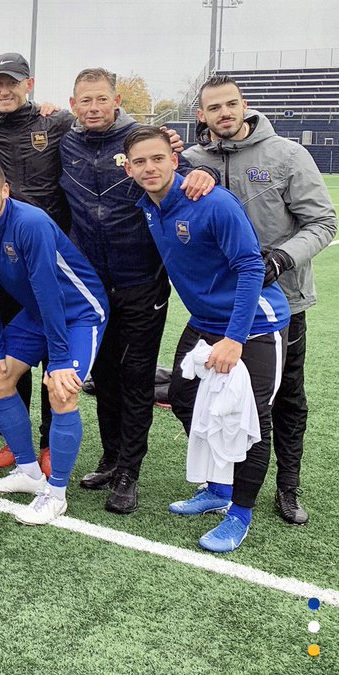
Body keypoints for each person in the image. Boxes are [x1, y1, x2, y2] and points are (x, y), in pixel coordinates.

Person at [125, 125, 290, 552]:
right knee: (183, 397)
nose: (149, 168)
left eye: (157, 158)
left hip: (253, 324)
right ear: (127, 168)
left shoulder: (212, 201)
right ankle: (218, 488)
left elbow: (251, 267)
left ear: (174, 160)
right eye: (139, 161)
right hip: (203, 321)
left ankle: (240, 512)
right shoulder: (147, 205)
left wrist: (235, 338)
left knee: (250, 419)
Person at [60, 67, 218, 513]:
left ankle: (130, 472)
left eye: (101, 99)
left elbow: (185, 177)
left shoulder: (145, 142)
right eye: (84, 101)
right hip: (92, 287)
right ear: (73, 105)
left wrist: (204, 176)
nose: (93, 108)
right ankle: (112, 458)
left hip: (141, 283)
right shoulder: (65, 141)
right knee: (104, 375)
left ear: (116, 100)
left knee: (135, 378)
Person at [182, 75, 337, 525]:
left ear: (245, 105)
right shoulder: (191, 159)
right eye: (214, 108)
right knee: (200, 391)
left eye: (231, 104)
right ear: (202, 115)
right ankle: (223, 481)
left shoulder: (288, 155)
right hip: (219, 305)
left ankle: (287, 487)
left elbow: (323, 224)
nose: (224, 114)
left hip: (283, 302)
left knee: (285, 398)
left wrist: (281, 259)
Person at [0, 159, 108, 525]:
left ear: (5, 190)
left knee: (62, 390)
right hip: (37, 313)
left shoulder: (31, 223)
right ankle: (28, 472)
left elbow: (49, 291)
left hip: (78, 311)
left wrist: (57, 361)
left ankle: (55, 494)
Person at [0, 52, 78, 474]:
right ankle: (19, 441)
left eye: (13, 82)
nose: (4, 90)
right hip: (6, 266)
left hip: (51, 259)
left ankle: (49, 444)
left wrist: (178, 149)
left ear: (29, 84)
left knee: (53, 356)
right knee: (15, 356)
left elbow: (120, 138)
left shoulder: (57, 122)